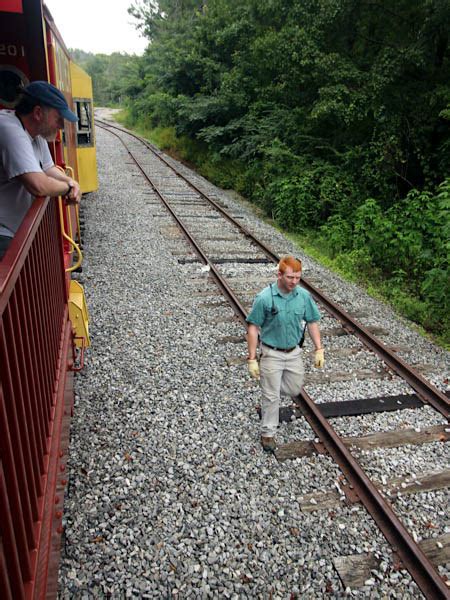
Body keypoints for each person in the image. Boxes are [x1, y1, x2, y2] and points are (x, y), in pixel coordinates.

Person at [246, 256, 324, 452]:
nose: (294, 282)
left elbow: (313, 321)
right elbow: (253, 327)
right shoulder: (264, 298)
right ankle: (268, 434)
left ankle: (269, 391)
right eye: (290, 277)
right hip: (272, 353)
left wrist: (319, 349)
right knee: (272, 397)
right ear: (279, 275)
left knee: (294, 388)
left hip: (294, 352)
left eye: (298, 277)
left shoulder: (303, 297)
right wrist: (252, 359)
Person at [0, 80, 82, 259]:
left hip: (12, 228)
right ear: (38, 113)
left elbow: (49, 168)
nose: (61, 126)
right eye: (58, 118)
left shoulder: (36, 135)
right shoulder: (10, 130)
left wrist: (71, 182)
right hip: (2, 231)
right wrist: (67, 190)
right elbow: (39, 185)